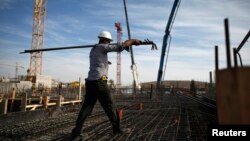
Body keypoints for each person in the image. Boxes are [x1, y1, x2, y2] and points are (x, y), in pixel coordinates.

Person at [71, 31, 141, 140]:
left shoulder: (94, 49)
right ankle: (117, 130)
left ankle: (76, 132)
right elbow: (121, 46)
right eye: (108, 41)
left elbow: (97, 61)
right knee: (110, 106)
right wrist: (132, 41)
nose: (108, 43)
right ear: (104, 40)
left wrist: (105, 62)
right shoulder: (102, 47)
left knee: (86, 108)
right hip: (100, 83)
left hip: (90, 82)